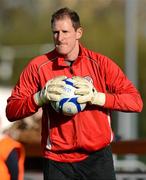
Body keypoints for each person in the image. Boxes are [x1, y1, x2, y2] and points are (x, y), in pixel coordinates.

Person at [6, 7, 143, 180]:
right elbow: (11, 110)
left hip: (98, 158)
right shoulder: (38, 67)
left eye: (65, 31)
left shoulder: (101, 64)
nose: (60, 38)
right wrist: (39, 98)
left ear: (79, 32)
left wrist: (97, 97)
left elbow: (135, 102)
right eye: (55, 32)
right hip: (57, 160)